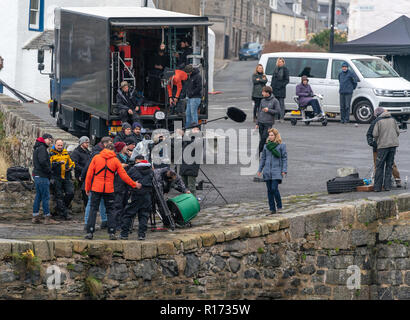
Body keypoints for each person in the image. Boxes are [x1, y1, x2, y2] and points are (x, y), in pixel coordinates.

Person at [84, 142, 141, 240]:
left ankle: (90, 232)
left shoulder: (96, 158)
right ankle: (111, 232)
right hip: (109, 189)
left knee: (93, 209)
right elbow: (124, 176)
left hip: (96, 188)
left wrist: (87, 188)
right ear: (113, 150)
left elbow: (89, 175)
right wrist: (134, 184)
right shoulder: (115, 160)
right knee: (111, 210)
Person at [81, 137, 113, 230]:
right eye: (110, 143)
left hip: (98, 183)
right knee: (92, 203)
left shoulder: (96, 153)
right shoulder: (97, 155)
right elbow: (88, 168)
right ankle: (88, 223)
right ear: (105, 144)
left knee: (99, 202)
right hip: (95, 183)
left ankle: (103, 221)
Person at [120, 155, 154, 240]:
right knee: (144, 215)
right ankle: (141, 235)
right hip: (146, 195)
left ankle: (124, 234)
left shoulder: (133, 169)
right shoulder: (150, 170)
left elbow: (126, 179)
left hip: (135, 195)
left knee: (128, 214)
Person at [367, 110, 402, 187]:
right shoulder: (393, 120)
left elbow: (372, 134)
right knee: (391, 165)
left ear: (376, 115)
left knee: (378, 166)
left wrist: (373, 143)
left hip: (379, 147)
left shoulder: (376, 121)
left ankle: (377, 185)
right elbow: (397, 132)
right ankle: (394, 181)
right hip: (392, 146)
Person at [257, 128, 288, 215]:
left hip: (277, 171)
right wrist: (260, 169)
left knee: (274, 188)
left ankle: (279, 206)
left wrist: (284, 170)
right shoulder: (266, 146)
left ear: (276, 136)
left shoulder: (281, 145)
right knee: (269, 190)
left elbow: (284, 158)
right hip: (267, 171)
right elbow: (263, 159)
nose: (270, 137)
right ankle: (272, 209)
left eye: (272, 135)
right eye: (269, 135)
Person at [32, 133, 59, 225]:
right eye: (50, 140)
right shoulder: (42, 149)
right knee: (45, 197)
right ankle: (47, 217)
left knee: (38, 196)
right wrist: (49, 171)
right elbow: (43, 162)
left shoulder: (37, 147)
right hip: (42, 176)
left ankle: (35, 217)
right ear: (45, 139)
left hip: (37, 175)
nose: (50, 142)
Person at [49, 139, 75, 220]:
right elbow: (48, 166)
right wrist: (57, 164)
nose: (60, 147)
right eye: (58, 145)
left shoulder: (66, 153)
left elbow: (72, 163)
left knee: (70, 193)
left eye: (61, 145)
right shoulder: (51, 154)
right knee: (59, 196)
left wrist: (70, 168)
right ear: (55, 145)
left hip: (66, 177)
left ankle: (62, 209)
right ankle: (64, 213)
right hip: (56, 177)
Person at [255, 86, 281, 155]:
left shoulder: (275, 101)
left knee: (264, 138)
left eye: (263, 92)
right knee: (263, 139)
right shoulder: (262, 100)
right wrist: (257, 123)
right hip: (261, 122)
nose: (262, 93)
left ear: (268, 93)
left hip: (268, 123)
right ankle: (266, 152)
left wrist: (268, 110)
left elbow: (278, 111)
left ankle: (258, 153)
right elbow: (259, 111)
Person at [179, 124, 202, 196]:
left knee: (191, 187)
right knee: (183, 187)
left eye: (196, 129)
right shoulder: (188, 138)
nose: (193, 130)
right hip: (184, 165)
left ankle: (193, 202)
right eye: (193, 129)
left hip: (192, 166)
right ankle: (185, 202)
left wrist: (183, 135)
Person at [70, 136, 91, 208]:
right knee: (83, 191)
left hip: (87, 173)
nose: (87, 144)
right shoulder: (76, 152)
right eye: (86, 143)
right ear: (81, 143)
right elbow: (74, 164)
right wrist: (83, 170)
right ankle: (85, 206)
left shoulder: (87, 151)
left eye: (88, 142)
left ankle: (87, 205)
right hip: (80, 174)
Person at [113, 141, 130, 230]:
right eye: (125, 146)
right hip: (118, 184)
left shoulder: (127, 157)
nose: (126, 147)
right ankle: (117, 224)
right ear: (121, 149)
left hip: (126, 184)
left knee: (125, 205)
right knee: (118, 205)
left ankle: (123, 223)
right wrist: (120, 166)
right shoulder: (116, 158)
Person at [269, 58, 289, 122]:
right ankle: (275, 117)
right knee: (274, 104)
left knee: (281, 104)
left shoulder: (285, 69)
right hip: (274, 89)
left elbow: (287, 80)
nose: (279, 63)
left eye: (281, 62)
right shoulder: (275, 69)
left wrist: (281, 86)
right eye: (278, 62)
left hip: (281, 90)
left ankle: (281, 118)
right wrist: (271, 87)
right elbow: (273, 79)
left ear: (283, 62)